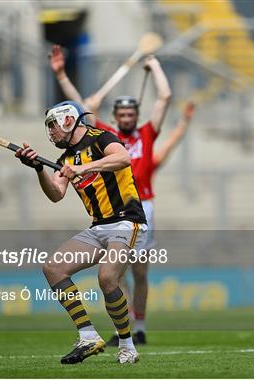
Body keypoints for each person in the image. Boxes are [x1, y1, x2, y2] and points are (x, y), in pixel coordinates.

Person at [49, 46, 172, 345]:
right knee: (116, 274)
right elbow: (78, 112)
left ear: (136, 115)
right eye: (122, 113)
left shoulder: (146, 134)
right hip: (108, 216)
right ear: (115, 117)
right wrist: (63, 76)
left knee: (138, 272)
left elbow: (165, 98)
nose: (127, 117)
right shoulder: (105, 135)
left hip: (141, 209)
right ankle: (126, 326)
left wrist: (153, 65)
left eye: (132, 113)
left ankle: (136, 327)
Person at [15, 101, 147, 364]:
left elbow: (123, 158)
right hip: (98, 226)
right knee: (53, 268)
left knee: (108, 277)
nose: (50, 133)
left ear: (67, 120)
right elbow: (56, 193)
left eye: (52, 126)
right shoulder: (64, 159)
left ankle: (127, 346)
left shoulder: (101, 138)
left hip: (126, 221)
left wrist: (83, 168)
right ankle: (88, 336)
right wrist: (39, 169)